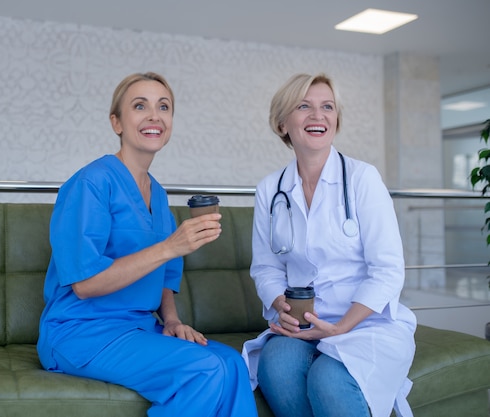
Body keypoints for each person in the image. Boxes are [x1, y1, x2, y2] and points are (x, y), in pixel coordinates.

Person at [37, 72, 258, 417]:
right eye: (140, 106)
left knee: (232, 363)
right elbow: (85, 284)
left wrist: (171, 320)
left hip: (139, 328)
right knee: (204, 369)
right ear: (117, 122)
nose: (155, 116)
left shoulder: (158, 193)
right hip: (81, 332)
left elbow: (165, 276)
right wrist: (170, 246)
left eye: (164, 107)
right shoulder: (91, 184)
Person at [242, 73, 417, 417]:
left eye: (327, 107)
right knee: (275, 368)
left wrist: (339, 328)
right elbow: (266, 267)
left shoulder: (363, 179)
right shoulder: (269, 189)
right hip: (303, 324)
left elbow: (388, 270)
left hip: (366, 323)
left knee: (328, 379)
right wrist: (282, 307)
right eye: (303, 106)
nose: (317, 116)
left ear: (336, 120)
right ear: (282, 124)